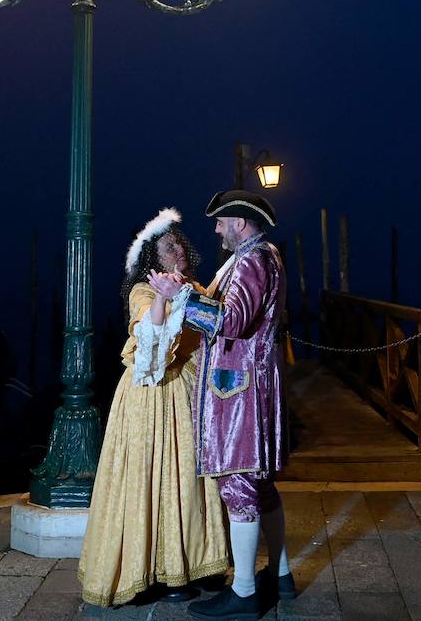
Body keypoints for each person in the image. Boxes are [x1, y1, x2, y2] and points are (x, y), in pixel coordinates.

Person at [149, 190, 295, 621]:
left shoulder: (252, 260)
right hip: (250, 381)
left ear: (240, 223)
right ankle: (280, 575)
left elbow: (232, 321)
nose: (215, 229)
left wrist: (180, 298)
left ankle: (246, 592)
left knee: (239, 485)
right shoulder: (262, 255)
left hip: (240, 389)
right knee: (261, 485)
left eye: (221, 221)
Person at [77, 208, 230, 606]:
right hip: (153, 396)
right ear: (151, 257)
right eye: (167, 246)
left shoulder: (196, 285)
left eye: (178, 242)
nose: (177, 248)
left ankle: (201, 562)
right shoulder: (143, 293)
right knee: (158, 475)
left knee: (192, 479)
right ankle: (161, 572)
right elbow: (150, 342)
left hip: (190, 394)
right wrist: (164, 298)